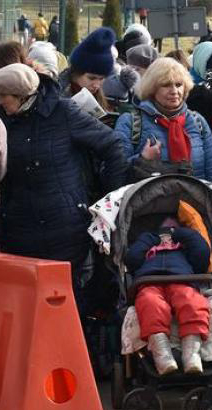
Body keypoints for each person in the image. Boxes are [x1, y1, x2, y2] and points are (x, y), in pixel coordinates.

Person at [0, 63, 127, 304]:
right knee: (23, 305)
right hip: (18, 230)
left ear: (20, 95)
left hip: (65, 230)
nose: (1, 103)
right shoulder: (4, 120)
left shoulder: (63, 112)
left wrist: (111, 202)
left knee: (64, 303)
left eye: (3, 97)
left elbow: (112, 146)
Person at [114, 57, 212, 185]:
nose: (174, 91)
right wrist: (142, 160)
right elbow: (117, 175)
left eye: (178, 85)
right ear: (152, 88)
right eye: (166, 85)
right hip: (148, 203)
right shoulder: (130, 122)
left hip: (196, 202)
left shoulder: (197, 121)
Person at [126, 216, 211, 375]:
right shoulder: (149, 245)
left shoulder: (184, 248)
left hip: (182, 279)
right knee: (150, 303)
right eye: (164, 229)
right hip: (150, 280)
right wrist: (150, 238)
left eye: (173, 228)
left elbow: (202, 255)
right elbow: (132, 260)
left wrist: (184, 234)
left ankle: (191, 352)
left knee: (191, 302)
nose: (168, 232)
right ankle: (162, 352)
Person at [60, 27, 119, 113]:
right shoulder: (55, 95)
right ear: (76, 73)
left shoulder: (102, 97)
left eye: (101, 79)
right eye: (91, 78)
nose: (96, 85)